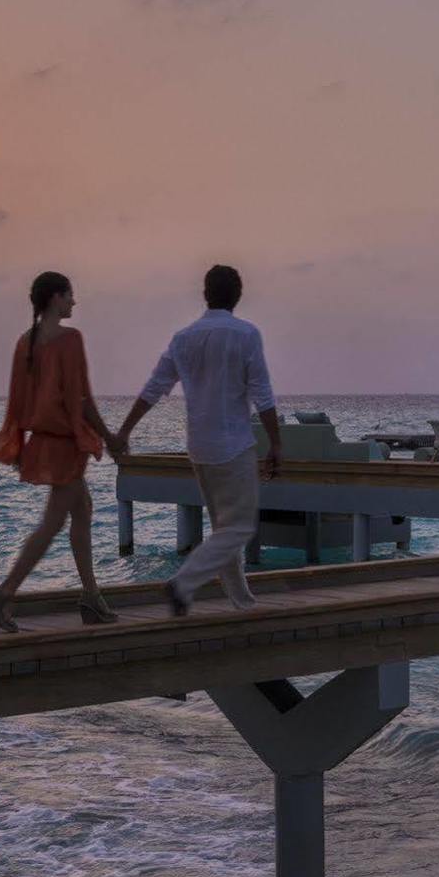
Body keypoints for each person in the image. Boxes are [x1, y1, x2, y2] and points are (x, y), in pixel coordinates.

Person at [116, 264, 282, 617]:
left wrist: (125, 431)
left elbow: (154, 389)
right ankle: (184, 583)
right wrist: (277, 444)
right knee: (238, 528)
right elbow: (263, 395)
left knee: (225, 529)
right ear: (237, 296)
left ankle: (243, 604)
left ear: (205, 294)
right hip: (234, 445)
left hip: (200, 449)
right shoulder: (246, 334)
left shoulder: (183, 338)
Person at [0, 271, 124, 631]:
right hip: (63, 444)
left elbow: (17, 401)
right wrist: (109, 437)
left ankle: (91, 597)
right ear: (54, 299)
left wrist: (16, 445)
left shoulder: (24, 342)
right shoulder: (70, 339)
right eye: (69, 295)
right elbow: (81, 397)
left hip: (44, 442)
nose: (74, 302)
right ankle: (4, 592)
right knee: (53, 522)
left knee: (82, 510)